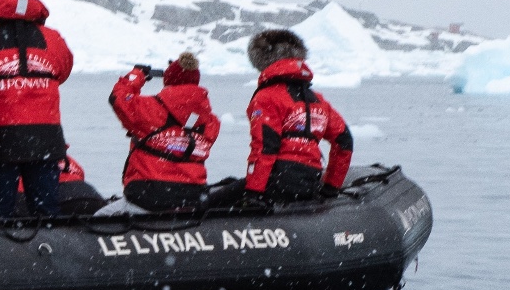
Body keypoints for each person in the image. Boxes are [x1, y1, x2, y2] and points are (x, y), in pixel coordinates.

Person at [0, 0, 74, 219]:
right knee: (47, 214)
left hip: (1, 141)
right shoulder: (53, 39)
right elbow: (63, 72)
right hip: (47, 138)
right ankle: (48, 252)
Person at [244, 29, 354, 204]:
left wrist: (253, 193)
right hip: (309, 180)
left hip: (279, 181)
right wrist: (331, 187)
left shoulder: (266, 97)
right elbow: (345, 141)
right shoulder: (318, 100)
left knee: (218, 198)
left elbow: (265, 147)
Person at [108, 53, 222, 212]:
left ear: (168, 79)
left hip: (147, 195)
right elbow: (185, 117)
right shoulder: (211, 121)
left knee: (100, 216)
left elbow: (118, 98)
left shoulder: (150, 109)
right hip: (192, 197)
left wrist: (137, 75)